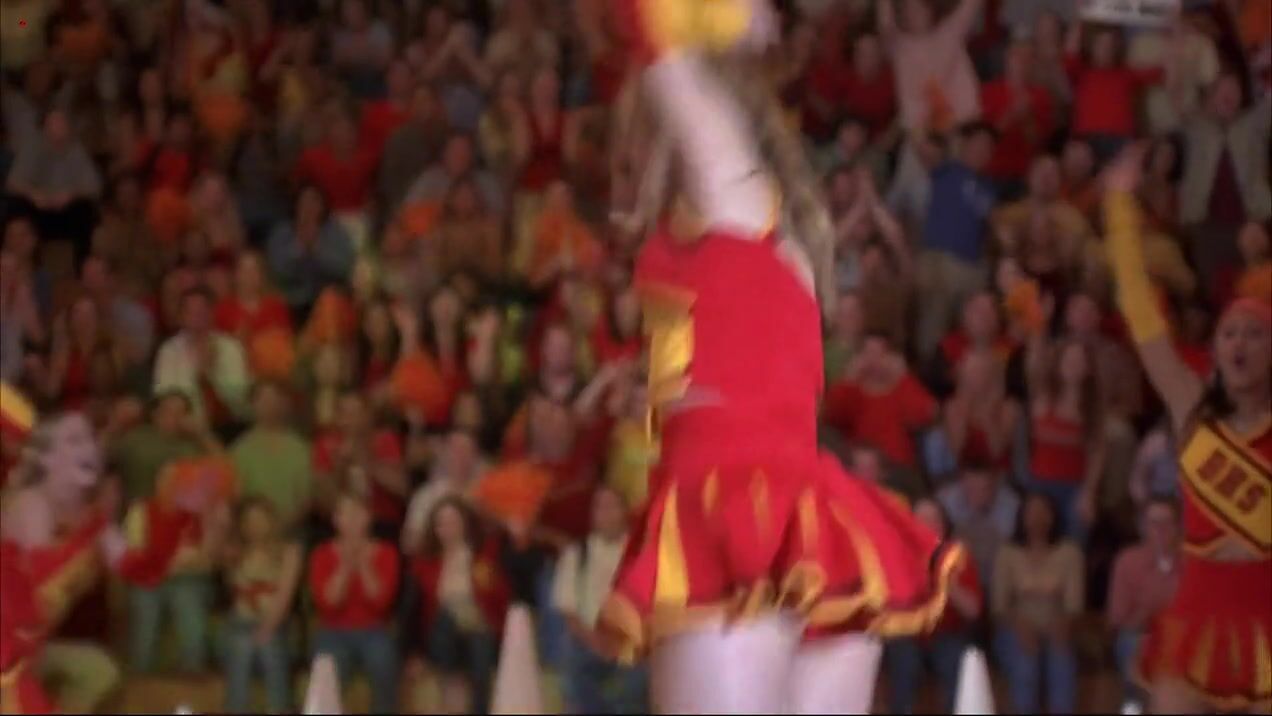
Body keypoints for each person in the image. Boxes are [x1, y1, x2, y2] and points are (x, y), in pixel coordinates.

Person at [598, 2, 961, 712]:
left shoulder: (732, 194)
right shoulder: (763, 230)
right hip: (802, 518)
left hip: (734, 510)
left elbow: (659, 42)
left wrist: (718, 16)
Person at [1102, 146, 1271, 713]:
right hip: (1195, 615)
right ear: (1215, 350)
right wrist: (1120, 210)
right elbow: (1141, 314)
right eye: (1230, 334)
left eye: (1255, 334)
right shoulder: (1190, 404)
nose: (1240, 344)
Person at [407, 496, 510, 714]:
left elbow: (500, 599)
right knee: (447, 616)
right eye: (441, 523)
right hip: (441, 632)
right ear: (434, 529)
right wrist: (414, 653)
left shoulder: (483, 557)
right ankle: (451, 700)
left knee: (480, 644)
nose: (448, 528)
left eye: (453, 521)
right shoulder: (424, 564)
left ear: (465, 523)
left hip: (478, 627)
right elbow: (412, 611)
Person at [554, 486, 648, 714]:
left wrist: (624, 641)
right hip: (588, 639)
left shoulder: (640, 552)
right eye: (599, 507)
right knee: (571, 657)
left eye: (611, 506)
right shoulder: (577, 553)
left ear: (624, 511)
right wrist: (596, 641)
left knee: (637, 682)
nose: (605, 513)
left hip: (630, 641)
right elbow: (569, 612)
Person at [884, 498, 982, 714]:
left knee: (954, 659)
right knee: (905, 661)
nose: (927, 526)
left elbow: (973, 611)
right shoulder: (896, 553)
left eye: (933, 520)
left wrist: (949, 584)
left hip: (947, 632)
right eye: (920, 520)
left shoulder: (957, 556)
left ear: (944, 526)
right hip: (907, 632)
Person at [307, 488, 401, 714]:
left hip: (373, 630)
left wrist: (364, 564)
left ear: (369, 517)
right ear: (336, 520)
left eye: (358, 513)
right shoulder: (321, 554)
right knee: (328, 670)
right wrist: (346, 565)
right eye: (345, 513)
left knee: (384, 663)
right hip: (333, 630)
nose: (352, 520)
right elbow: (328, 604)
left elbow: (381, 602)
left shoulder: (387, 552)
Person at [991, 492, 1083, 713]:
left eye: (1043, 512)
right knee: (1026, 660)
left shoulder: (1070, 552)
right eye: (1031, 512)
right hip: (1014, 626)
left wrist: (1063, 623)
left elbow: (1075, 605)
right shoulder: (1007, 553)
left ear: (1053, 517)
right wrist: (1018, 624)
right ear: (1021, 517)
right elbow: (998, 607)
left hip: (1058, 625)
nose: (1037, 518)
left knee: (1061, 659)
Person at [221, 497, 303, 713]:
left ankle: (279, 709)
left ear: (271, 521)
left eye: (260, 519)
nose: (255, 525)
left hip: (276, 622)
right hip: (240, 622)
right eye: (250, 520)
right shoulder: (236, 551)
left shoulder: (289, 551)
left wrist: (267, 628)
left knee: (269, 649)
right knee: (241, 647)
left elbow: (285, 595)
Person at [1106, 497, 1181, 708]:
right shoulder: (1127, 561)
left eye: (1167, 522)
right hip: (1138, 635)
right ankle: (1133, 707)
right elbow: (1118, 619)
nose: (1160, 530)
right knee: (1135, 648)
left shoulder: (1191, 562)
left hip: (1180, 637)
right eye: (1154, 523)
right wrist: (1147, 613)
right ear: (1143, 527)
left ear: (1178, 527)